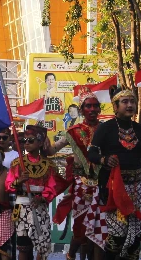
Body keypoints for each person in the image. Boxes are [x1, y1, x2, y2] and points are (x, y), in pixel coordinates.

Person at [87, 86, 141, 260]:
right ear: (115, 106)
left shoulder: (139, 129)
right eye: (125, 102)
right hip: (114, 189)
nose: (129, 105)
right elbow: (91, 153)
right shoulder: (106, 128)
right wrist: (104, 160)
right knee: (117, 236)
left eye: (132, 101)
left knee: (135, 237)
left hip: (137, 188)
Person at [47, 91, 102, 260]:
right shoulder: (73, 132)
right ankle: (71, 255)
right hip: (82, 185)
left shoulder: (106, 130)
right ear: (81, 110)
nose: (92, 109)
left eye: (95, 106)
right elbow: (51, 150)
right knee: (80, 226)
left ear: (99, 109)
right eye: (88, 106)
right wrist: (42, 140)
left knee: (99, 226)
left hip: (103, 184)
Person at [5, 125, 64, 260]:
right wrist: (19, 181)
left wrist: (42, 198)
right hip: (22, 209)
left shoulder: (49, 165)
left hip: (40, 207)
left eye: (30, 140)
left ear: (40, 142)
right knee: (23, 247)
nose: (26, 143)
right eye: (25, 140)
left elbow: (53, 187)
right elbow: (8, 186)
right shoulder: (17, 163)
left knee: (42, 247)